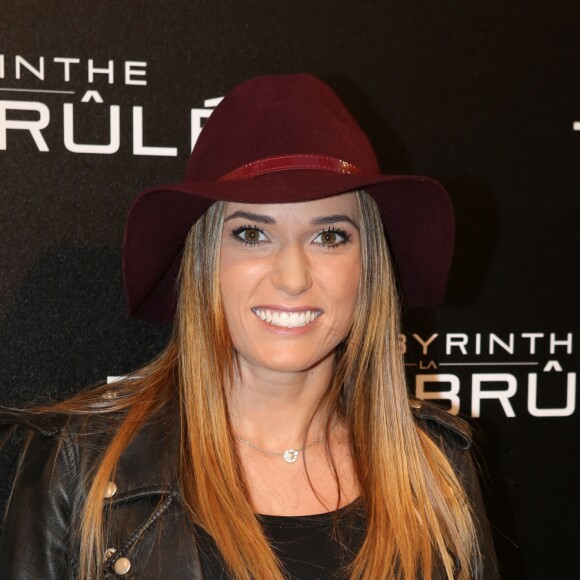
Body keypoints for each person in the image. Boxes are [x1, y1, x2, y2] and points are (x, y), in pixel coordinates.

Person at [0, 74, 499, 579]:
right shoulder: (79, 469)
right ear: (205, 260)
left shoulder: (438, 473)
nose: (292, 277)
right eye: (252, 233)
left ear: (370, 263)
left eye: (329, 235)